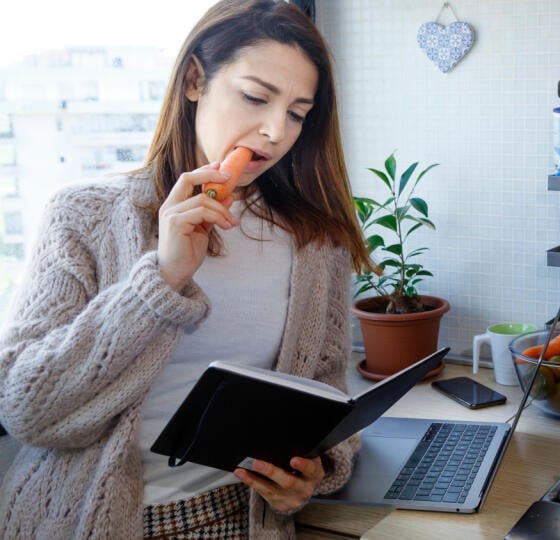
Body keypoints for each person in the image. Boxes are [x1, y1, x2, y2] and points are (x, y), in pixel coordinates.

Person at [0, 0, 373, 537]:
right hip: (92, 522)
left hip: (243, 521)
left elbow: (324, 399)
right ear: (195, 79)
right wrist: (162, 279)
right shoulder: (82, 215)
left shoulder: (317, 242)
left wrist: (312, 472)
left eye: (296, 113)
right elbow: (26, 409)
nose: (274, 131)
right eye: (255, 97)